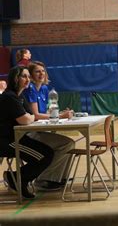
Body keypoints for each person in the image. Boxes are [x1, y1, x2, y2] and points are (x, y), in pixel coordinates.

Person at [0, 66, 54, 199]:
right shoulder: (9, 97)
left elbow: (31, 116)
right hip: (7, 141)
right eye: (24, 76)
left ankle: (14, 177)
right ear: (15, 79)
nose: (27, 79)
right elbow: (25, 119)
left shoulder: (20, 96)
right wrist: (29, 117)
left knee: (48, 152)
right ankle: (18, 180)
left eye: (28, 77)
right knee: (43, 156)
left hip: (18, 137)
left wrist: (30, 117)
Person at [23, 61, 75, 191]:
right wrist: (58, 116)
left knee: (69, 143)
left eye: (43, 71)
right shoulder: (30, 89)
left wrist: (59, 113)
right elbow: (36, 114)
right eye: (37, 71)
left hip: (42, 129)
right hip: (30, 133)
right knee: (66, 144)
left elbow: (46, 112)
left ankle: (59, 177)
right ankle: (43, 179)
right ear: (31, 75)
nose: (41, 73)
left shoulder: (45, 89)